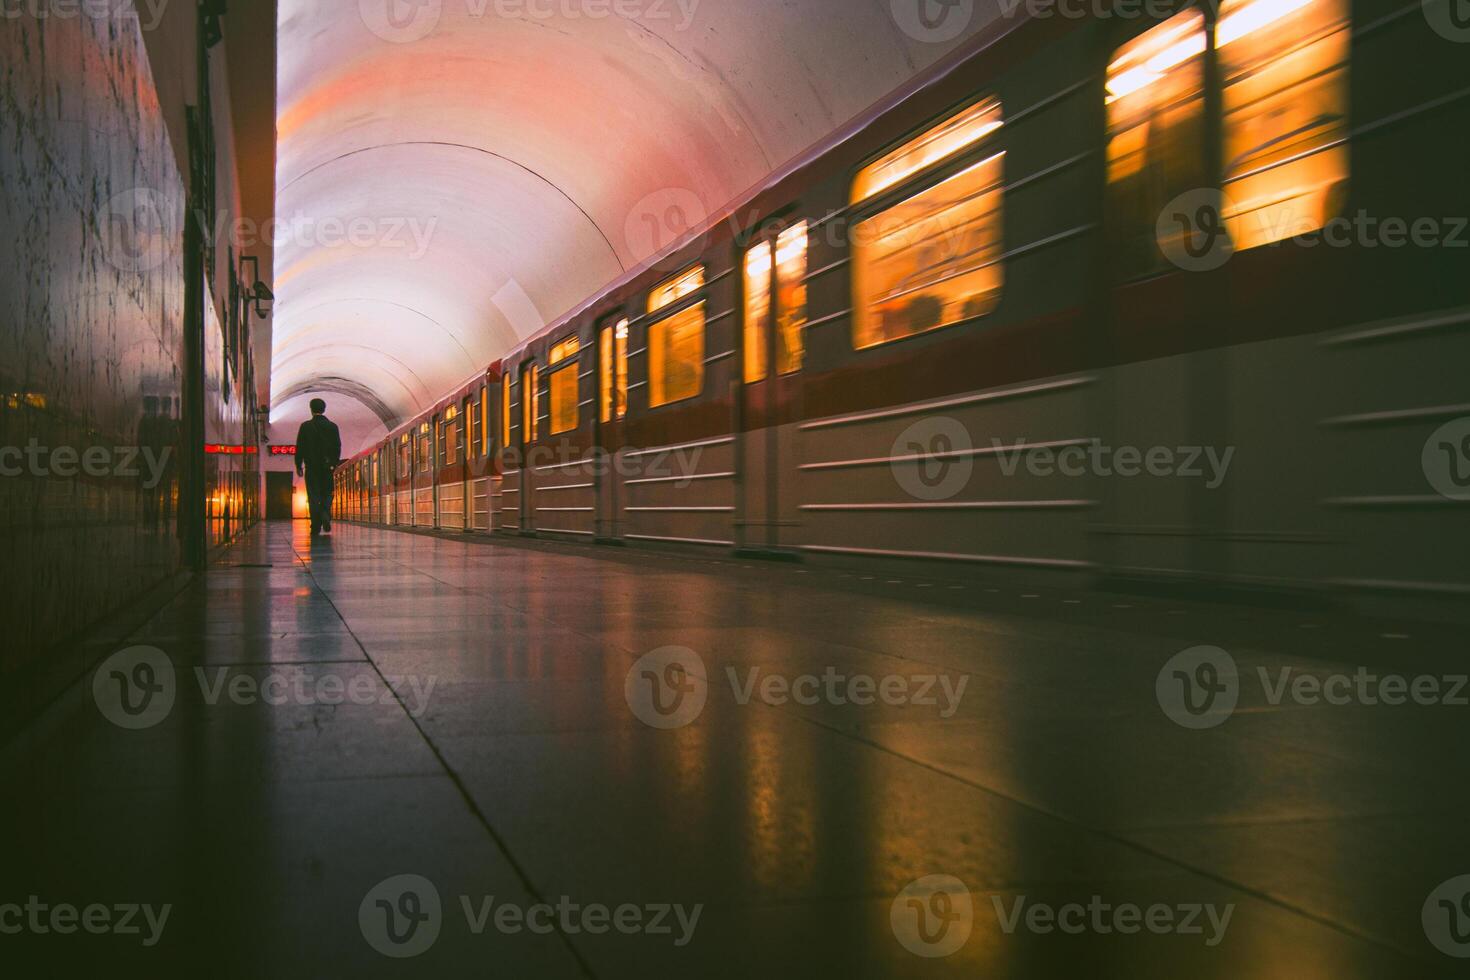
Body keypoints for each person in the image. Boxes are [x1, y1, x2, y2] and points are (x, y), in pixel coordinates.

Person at [295, 398, 342, 536]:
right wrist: (334, 463)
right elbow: (337, 447)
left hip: (312, 467)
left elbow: (300, 447)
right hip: (327, 468)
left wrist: (299, 464)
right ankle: (325, 513)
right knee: (327, 493)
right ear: (324, 409)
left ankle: (315, 525)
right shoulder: (333, 426)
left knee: (314, 495)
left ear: (311, 409)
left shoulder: (305, 426)